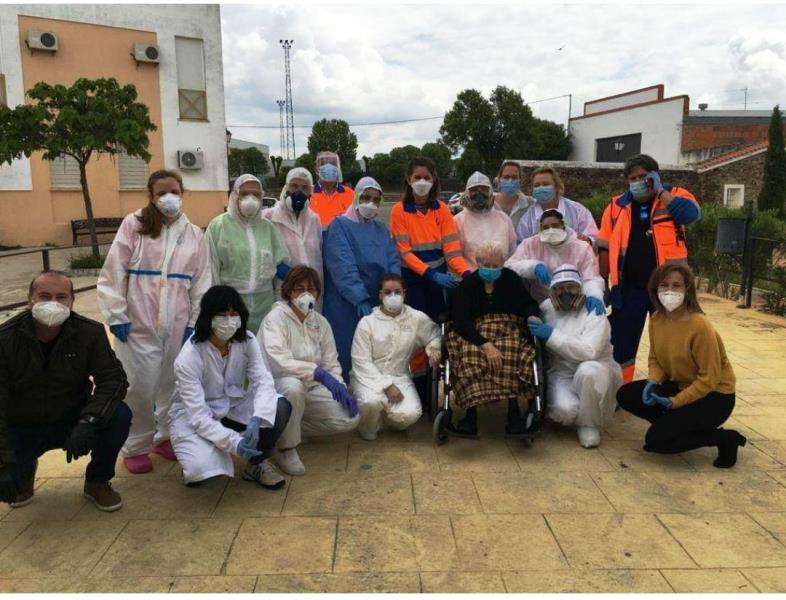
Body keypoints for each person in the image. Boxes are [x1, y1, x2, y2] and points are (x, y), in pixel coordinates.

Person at [98, 169, 211, 474]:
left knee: (173, 384)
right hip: (137, 324)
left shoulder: (194, 234)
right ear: (151, 195)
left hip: (178, 323)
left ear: (183, 193)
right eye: (161, 193)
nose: (168, 197)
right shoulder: (134, 225)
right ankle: (135, 445)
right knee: (139, 385)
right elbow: (113, 273)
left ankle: (165, 437)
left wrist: (195, 322)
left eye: (173, 191)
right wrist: (116, 314)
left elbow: (202, 282)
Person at [0, 271, 131, 511]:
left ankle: (97, 481)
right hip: (23, 423)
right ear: (30, 299)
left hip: (73, 417)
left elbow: (113, 380)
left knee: (119, 415)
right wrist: (2, 464)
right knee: (9, 480)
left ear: (72, 301)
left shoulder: (88, 333)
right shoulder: (6, 339)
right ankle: (24, 472)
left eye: (61, 297)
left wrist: (89, 420)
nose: (53, 303)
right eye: (44, 296)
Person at [616, 264, 744, 468]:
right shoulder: (657, 319)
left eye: (676, 286)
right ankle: (670, 426)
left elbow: (709, 379)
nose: (669, 291)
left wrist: (676, 402)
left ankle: (725, 439)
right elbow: (655, 359)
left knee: (657, 441)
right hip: (680, 385)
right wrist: (653, 380)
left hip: (715, 396)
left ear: (687, 289)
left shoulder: (699, 326)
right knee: (626, 394)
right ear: (654, 289)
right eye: (663, 285)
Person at [169, 286, 291, 489]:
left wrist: (258, 417)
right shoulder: (189, 357)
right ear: (208, 317)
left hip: (233, 405)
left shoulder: (247, 340)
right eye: (222, 314)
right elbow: (198, 416)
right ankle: (196, 457)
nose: (229, 320)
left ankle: (256, 464)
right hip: (195, 415)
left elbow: (263, 380)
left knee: (280, 407)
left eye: (234, 314)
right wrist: (234, 442)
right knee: (204, 472)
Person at [597, 154, 701, 383]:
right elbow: (603, 248)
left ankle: (670, 390)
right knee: (622, 342)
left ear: (655, 175)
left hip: (668, 290)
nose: (637, 181)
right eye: (633, 177)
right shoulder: (616, 206)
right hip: (629, 288)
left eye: (643, 176)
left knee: (671, 341)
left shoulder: (676, 196)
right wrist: (602, 283)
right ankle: (621, 390)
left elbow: (691, 215)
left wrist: (661, 191)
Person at [258, 266, 360, 475]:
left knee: (350, 418)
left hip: (311, 388)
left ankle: (284, 429)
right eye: (299, 289)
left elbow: (331, 363)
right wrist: (317, 372)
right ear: (288, 291)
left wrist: (338, 386)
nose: (306, 295)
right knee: (294, 387)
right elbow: (279, 361)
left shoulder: (320, 323)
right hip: (279, 386)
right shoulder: (275, 319)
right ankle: (287, 448)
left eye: (311, 290)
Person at [390, 156, 470, 399]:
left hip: (438, 282)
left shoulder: (442, 210)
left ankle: (433, 383)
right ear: (408, 180)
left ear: (434, 180)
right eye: (417, 178)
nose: (422, 182)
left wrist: (465, 273)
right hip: (412, 280)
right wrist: (430, 273)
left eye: (426, 177)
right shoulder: (399, 210)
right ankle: (416, 388)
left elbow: (452, 250)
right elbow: (404, 252)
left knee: (436, 332)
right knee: (413, 334)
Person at [446, 240, 540, 437]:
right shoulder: (468, 285)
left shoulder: (511, 279)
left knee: (512, 352)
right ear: (477, 262)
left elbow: (528, 303)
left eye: (495, 265)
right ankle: (470, 415)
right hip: (474, 332)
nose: (490, 269)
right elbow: (460, 320)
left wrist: (531, 314)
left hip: (508, 328)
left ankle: (514, 414)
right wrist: (485, 344)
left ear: (502, 264)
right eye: (486, 264)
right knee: (469, 355)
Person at [527, 264, 622, 448]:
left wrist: (551, 335)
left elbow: (588, 351)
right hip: (561, 371)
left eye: (570, 287)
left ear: (580, 288)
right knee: (564, 411)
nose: (565, 293)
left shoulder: (594, 310)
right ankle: (579, 409)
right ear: (552, 290)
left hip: (595, 367)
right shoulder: (547, 308)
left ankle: (589, 424)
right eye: (560, 288)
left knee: (587, 372)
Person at [323, 176, 401, 381]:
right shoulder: (339, 225)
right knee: (346, 350)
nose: (371, 203)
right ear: (356, 197)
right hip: (346, 303)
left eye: (376, 200)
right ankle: (343, 396)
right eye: (366, 197)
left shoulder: (381, 229)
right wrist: (359, 297)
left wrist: (392, 291)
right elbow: (342, 266)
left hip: (377, 301)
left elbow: (392, 259)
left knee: (375, 352)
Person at [350, 274, 441, 441]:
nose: (393, 296)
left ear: (404, 294)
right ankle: (368, 425)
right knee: (370, 402)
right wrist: (387, 385)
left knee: (411, 414)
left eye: (397, 292)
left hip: (400, 375)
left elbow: (435, 334)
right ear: (380, 295)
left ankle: (387, 418)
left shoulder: (416, 318)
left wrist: (433, 350)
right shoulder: (367, 322)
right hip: (368, 376)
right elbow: (360, 361)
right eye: (387, 292)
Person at [206, 174, 291, 333]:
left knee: (261, 354)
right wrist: (216, 308)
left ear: (262, 197)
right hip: (230, 308)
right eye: (245, 193)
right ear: (234, 196)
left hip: (265, 307)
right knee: (232, 353)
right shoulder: (218, 226)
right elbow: (209, 271)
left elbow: (281, 268)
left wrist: (281, 305)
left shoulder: (268, 228)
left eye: (256, 194)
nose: (251, 198)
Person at [505, 209, 606, 314]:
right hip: (540, 304)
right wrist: (532, 266)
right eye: (545, 227)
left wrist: (593, 295)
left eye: (555, 225)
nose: (551, 230)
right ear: (540, 229)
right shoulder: (531, 244)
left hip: (575, 303)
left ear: (563, 225)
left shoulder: (581, 247)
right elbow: (509, 266)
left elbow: (591, 278)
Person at [262, 167, 325, 312]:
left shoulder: (314, 219)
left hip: (312, 292)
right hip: (284, 292)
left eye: (305, 187)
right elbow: (262, 256)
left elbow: (318, 255)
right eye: (294, 186)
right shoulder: (268, 217)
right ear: (286, 187)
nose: (299, 191)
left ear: (311, 191)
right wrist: (280, 270)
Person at [516, 166, 598, 246]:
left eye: (546, 184)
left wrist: (587, 240)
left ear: (556, 187)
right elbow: (521, 245)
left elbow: (594, 237)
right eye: (537, 185)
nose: (541, 188)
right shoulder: (527, 219)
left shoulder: (578, 211)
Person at [453, 171, 517, 271]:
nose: (479, 194)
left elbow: (513, 253)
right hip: (472, 280)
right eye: (474, 190)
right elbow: (455, 257)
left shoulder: (503, 219)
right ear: (467, 193)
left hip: (501, 278)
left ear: (491, 192)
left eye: (484, 189)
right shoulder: (458, 221)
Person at [309, 151, 356, 228]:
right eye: (323, 163)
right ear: (316, 169)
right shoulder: (307, 193)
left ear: (338, 168)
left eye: (333, 164)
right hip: (314, 239)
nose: (328, 166)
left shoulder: (351, 194)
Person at [493, 160, 535, 240]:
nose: (510, 180)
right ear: (499, 179)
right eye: (506, 177)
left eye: (514, 177)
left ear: (520, 181)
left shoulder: (529, 203)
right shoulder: (489, 202)